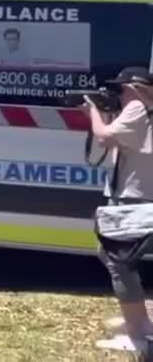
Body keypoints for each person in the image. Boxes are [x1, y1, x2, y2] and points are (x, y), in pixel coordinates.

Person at [90, 67, 153, 355]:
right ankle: (139, 319)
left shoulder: (138, 107)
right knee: (117, 258)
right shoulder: (143, 109)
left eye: (122, 90)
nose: (120, 95)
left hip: (133, 197)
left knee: (119, 261)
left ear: (137, 88)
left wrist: (91, 111)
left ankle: (138, 333)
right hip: (136, 194)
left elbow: (103, 137)